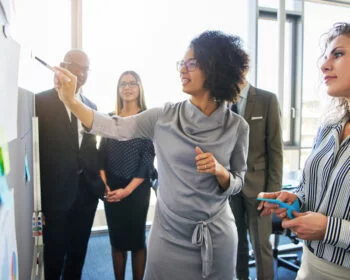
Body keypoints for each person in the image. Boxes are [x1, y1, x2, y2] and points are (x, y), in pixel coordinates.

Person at [54, 30, 250, 279]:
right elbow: (113, 126)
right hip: (168, 236)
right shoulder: (163, 117)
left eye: (192, 64)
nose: (182, 70)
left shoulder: (237, 127)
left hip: (216, 237)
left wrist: (221, 172)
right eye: (182, 63)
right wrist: (71, 102)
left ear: (215, 69)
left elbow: (238, 183)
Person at [257, 22, 350, 280]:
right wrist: (296, 199)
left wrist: (329, 229)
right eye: (327, 55)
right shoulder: (330, 124)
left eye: (338, 54)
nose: (324, 65)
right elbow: (312, 189)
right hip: (309, 265)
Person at [35, 49, 104, 280]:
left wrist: (99, 183)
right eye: (76, 66)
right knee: (54, 256)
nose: (81, 73)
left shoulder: (90, 105)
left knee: (78, 254)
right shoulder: (41, 101)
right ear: (63, 65)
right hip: (56, 196)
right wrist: (39, 202)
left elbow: (90, 148)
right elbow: (37, 154)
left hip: (86, 193)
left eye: (86, 69)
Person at [99, 70, 156, 280]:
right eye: (123, 83)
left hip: (137, 188)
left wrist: (127, 191)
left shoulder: (147, 118)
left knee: (137, 241)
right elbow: (101, 154)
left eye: (132, 83)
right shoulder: (110, 118)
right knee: (117, 240)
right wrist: (105, 184)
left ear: (139, 87)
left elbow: (147, 160)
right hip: (112, 188)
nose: (128, 87)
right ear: (118, 89)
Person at [229, 72, 283, 280]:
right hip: (231, 186)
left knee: (261, 245)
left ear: (243, 69)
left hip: (260, 188)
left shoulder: (267, 99)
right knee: (236, 242)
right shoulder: (221, 101)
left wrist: (273, 192)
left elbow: (276, 150)